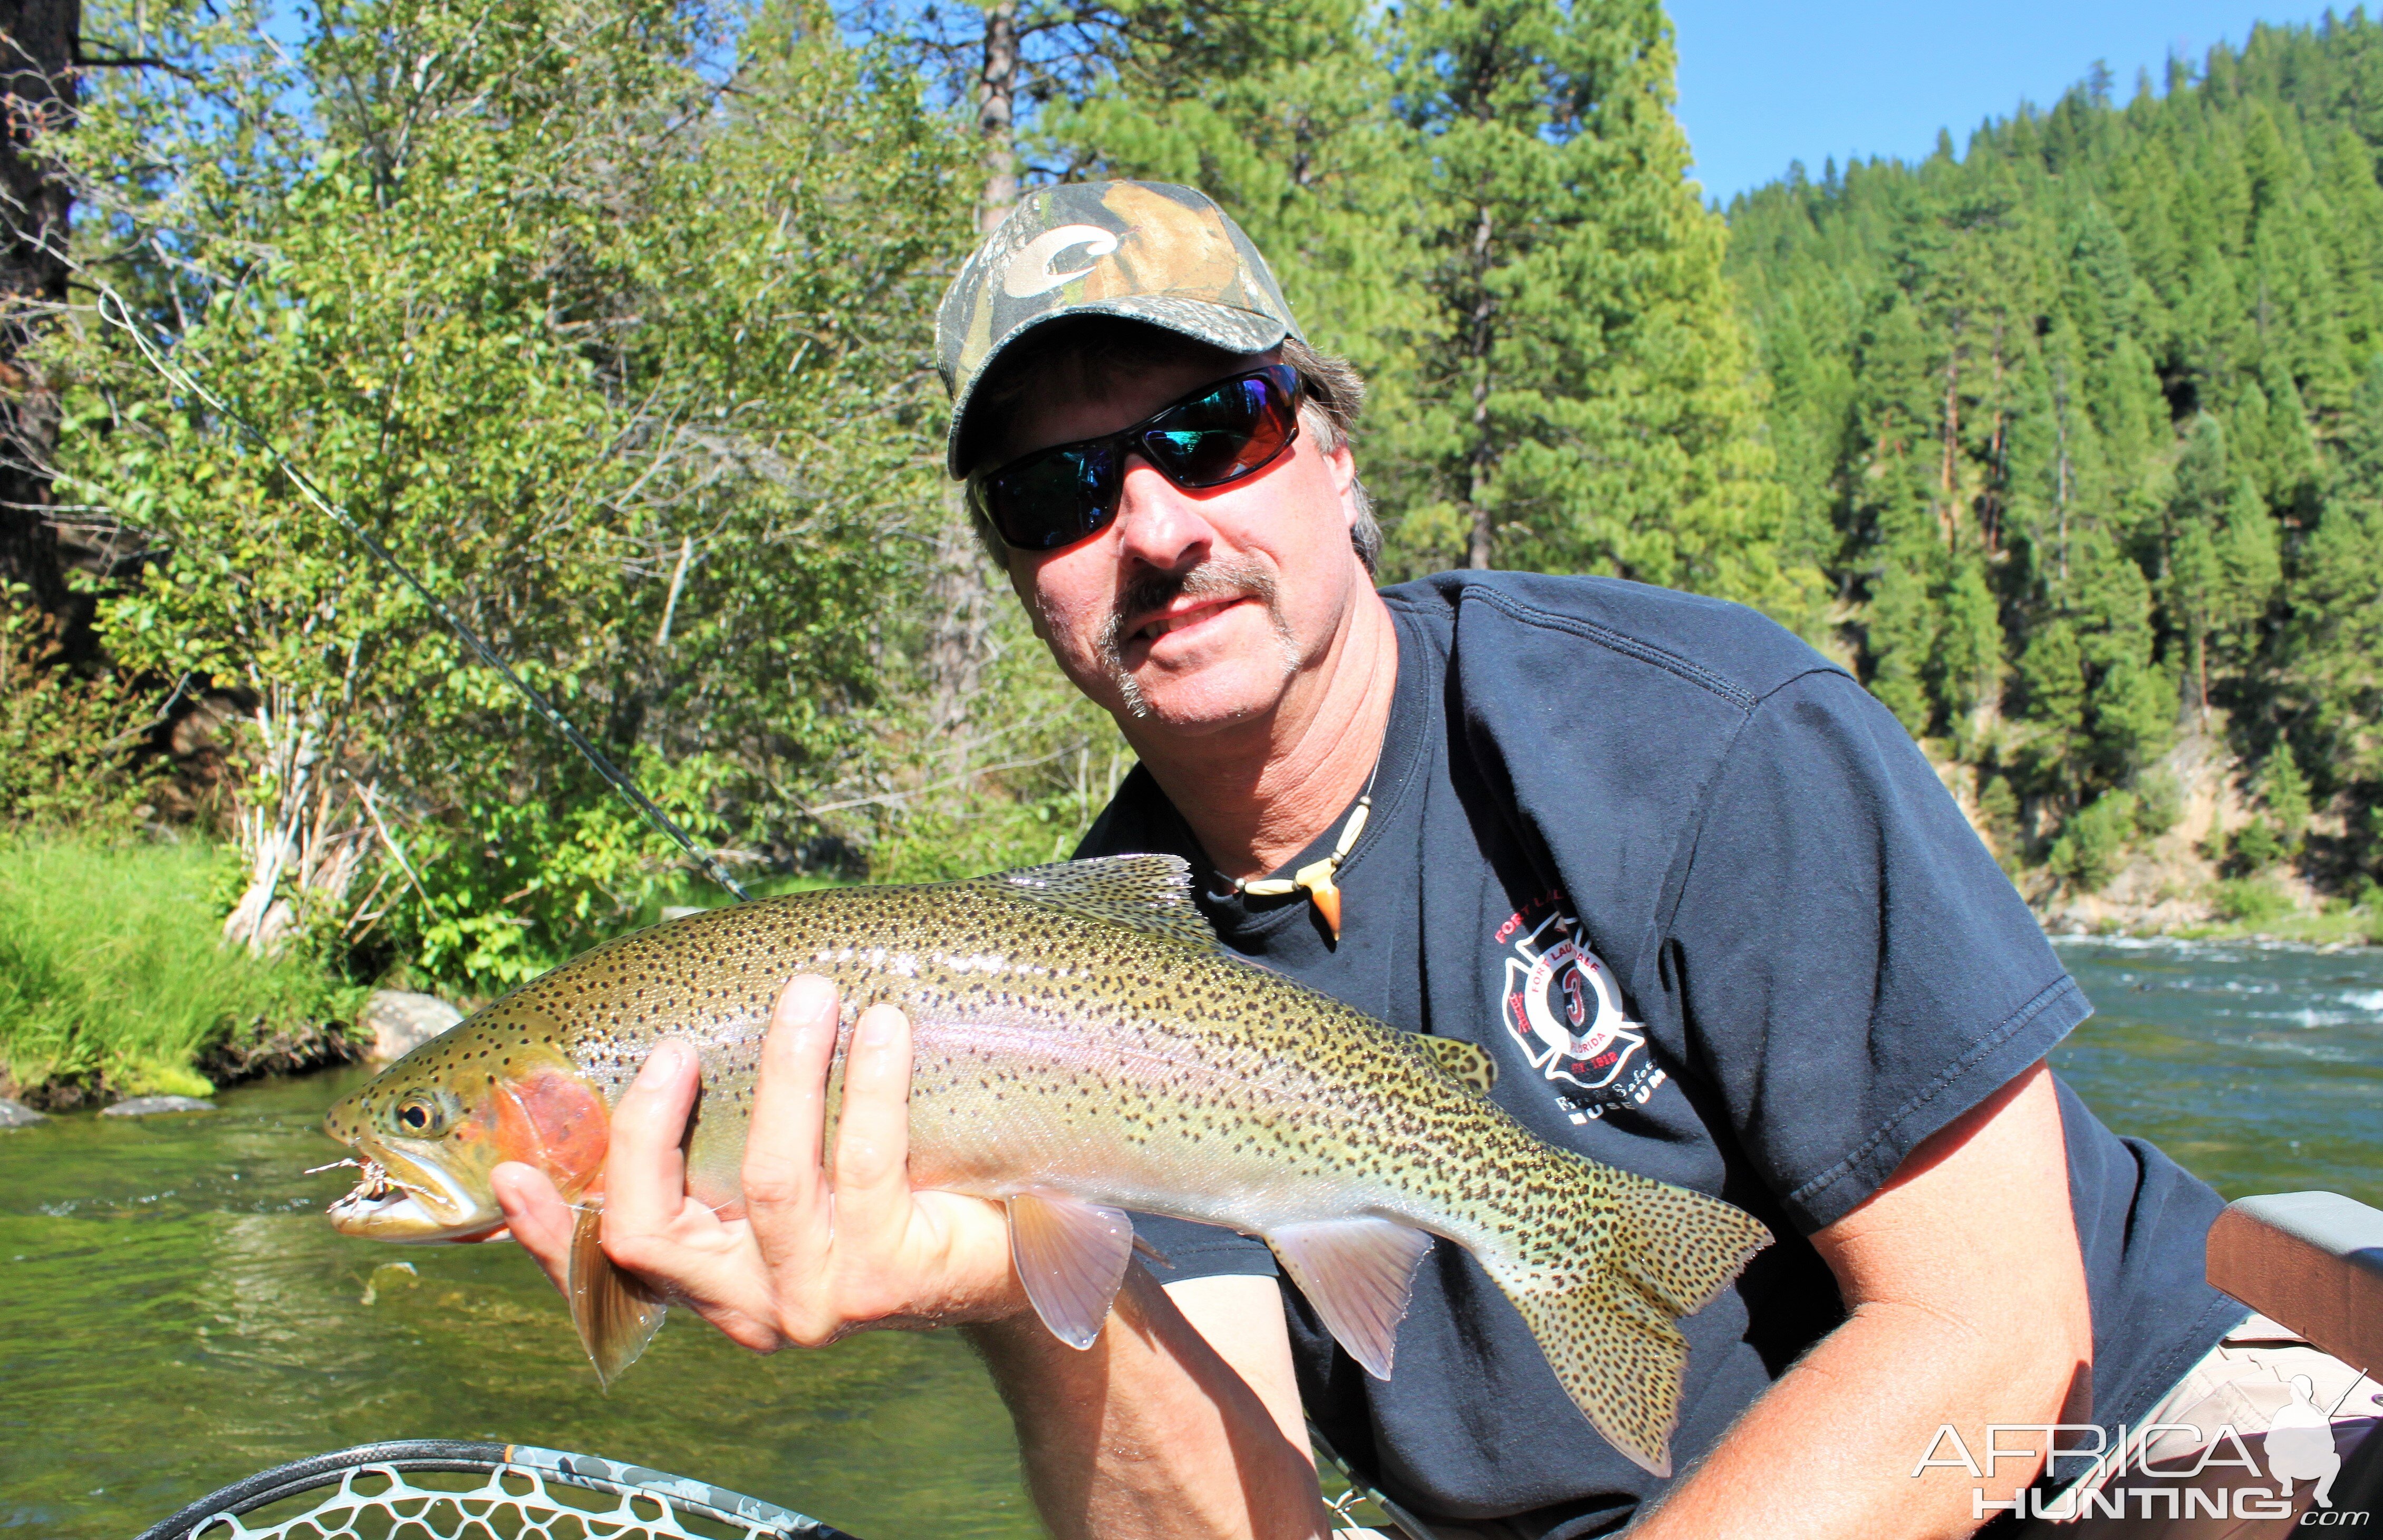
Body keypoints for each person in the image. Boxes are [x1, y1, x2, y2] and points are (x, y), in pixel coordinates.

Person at [488, 183, 2369, 1538]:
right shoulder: (1085, 989)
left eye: (1205, 431)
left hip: (2141, 1439)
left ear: (1324, 448)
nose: (1149, 526)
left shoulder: (1695, 737)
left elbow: (1993, 1330)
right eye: (1060, 492)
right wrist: (1003, 1285)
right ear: (1017, 572)